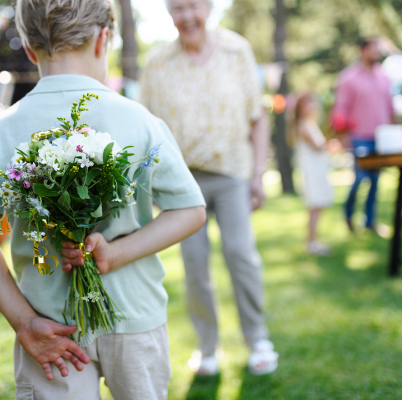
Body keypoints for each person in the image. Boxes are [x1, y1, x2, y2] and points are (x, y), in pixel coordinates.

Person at [0, 1, 207, 399]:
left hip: (49, 328)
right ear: (103, 39)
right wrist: (116, 253)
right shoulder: (139, 119)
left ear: (27, 47)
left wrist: (24, 323)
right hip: (134, 316)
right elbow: (190, 210)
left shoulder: (2, 130)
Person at [139, 0, 278, 376]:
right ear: (169, 13)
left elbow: (257, 116)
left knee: (240, 253)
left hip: (232, 172)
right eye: (176, 9)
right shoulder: (157, 63)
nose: (186, 17)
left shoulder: (237, 50)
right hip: (182, 182)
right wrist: (150, 181)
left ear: (210, 7)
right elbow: (147, 130)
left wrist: (258, 173)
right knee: (195, 265)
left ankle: (258, 339)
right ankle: (208, 348)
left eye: (193, 7)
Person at [331, 37, 395, 233]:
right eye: (373, 49)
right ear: (362, 51)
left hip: (381, 136)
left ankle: (370, 221)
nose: (377, 53)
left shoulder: (384, 76)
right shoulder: (348, 78)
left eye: (378, 49)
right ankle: (349, 214)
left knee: (376, 181)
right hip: (359, 135)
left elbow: (390, 107)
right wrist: (343, 136)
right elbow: (341, 110)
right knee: (359, 178)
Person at [291, 92, 334, 256]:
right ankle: (311, 242)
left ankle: (314, 240)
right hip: (312, 172)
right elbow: (318, 146)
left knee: (318, 206)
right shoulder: (303, 126)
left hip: (318, 170)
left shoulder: (310, 124)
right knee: (315, 206)